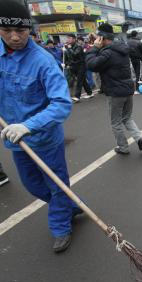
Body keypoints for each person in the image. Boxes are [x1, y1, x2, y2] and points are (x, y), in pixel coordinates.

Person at [0, 0, 83, 252]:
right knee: (33, 185)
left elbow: (61, 104)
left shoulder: (43, 61)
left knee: (56, 185)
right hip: (14, 139)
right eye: (6, 31)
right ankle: (70, 204)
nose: (14, 37)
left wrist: (28, 126)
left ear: (30, 30)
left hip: (45, 139)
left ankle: (61, 226)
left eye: (21, 31)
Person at [86, 23, 142, 155]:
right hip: (128, 89)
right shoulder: (122, 49)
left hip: (115, 92)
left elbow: (91, 65)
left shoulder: (107, 53)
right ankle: (139, 137)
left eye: (98, 37)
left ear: (102, 38)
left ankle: (123, 147)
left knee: (116, 122)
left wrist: (94, 48)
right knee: (127, 118)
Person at [64, 34, 92, 102]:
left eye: (70, 38)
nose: (68, 40)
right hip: (74, 67)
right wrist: (66, 64)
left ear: (74, 39)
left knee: (79, 81)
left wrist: (68, 48)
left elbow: (75, 54)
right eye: (67, 38)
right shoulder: (68, 47)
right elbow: (68, 57)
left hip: (81, 66)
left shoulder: (78, 47)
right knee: (83, 81)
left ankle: (77, 96)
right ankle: (90, 93)